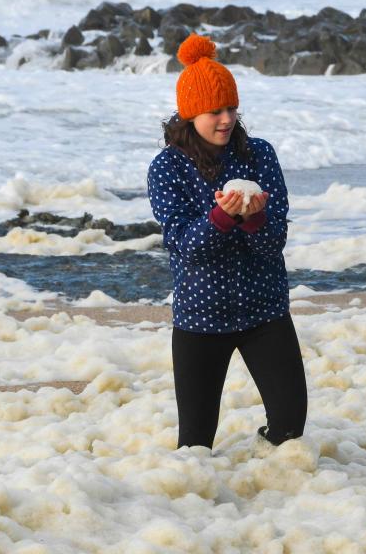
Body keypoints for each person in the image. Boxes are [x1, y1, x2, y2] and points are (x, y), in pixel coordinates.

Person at [147, 33, 307, 450]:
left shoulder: (260, 155)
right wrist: (222, 217)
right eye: (214, 111)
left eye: (232, 108)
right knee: (195, 445)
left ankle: (269, 496)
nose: (226, 119)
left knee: (290, 430)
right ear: (190, 113)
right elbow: (183, 244)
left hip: (264, 310)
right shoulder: (167, 168)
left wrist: (254, 221)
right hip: (200, 317)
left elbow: (274, 243)